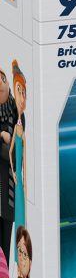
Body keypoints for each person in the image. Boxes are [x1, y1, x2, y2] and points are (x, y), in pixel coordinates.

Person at [9, 61, 26, 264]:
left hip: (21, 179)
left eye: (23, 92)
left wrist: (24, 178)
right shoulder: (17, 126)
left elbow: (25, 158)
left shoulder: (23, 127)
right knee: (18, 211)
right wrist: (13, 171)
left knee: (22, 213)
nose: (21, 97)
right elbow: (11, 150)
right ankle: (17, 254)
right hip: (17, 178)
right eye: (18, 91)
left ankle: (22, 251)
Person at [0, 67, 16, 267]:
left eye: (3, 79)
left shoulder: (16, 115)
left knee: (5, 252)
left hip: (8, 199)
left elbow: (14, 156)